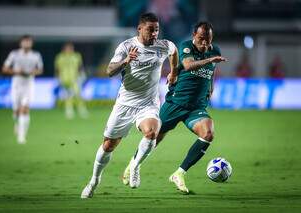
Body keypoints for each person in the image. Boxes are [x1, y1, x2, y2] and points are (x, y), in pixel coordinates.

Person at [81, 12, 178, 199]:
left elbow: (174, 52)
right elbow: (109, 71)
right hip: (125, 103)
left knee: (152, 132)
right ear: (140, 29)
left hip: (148, 103)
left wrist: (173, 72)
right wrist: (126, 61)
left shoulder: (163, 46)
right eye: (151, 30)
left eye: (156, 30)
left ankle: (135, 165)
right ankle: (94, 181)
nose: (154, 34)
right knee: (109, 145)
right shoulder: (126, 46)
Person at [122, 22, 227, 193]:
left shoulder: (215, 51)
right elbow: (188, 65)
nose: (204, 44)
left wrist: (211, 87)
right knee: (153, 137)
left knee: (208, 133)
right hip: (175, 103)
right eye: (201, 39)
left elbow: (212, 70)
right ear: (194, 35)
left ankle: (179, 173)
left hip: (196, 107)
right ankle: (133, 165)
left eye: (208, 40)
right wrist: (209, 60)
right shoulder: (186, 46)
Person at [2, 35, 43, 144]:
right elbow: (5, 68)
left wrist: (32, 72)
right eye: (25, 41)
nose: (27, 43)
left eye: (28, 42)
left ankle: (22, 136)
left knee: (24, 109)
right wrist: (16, 72)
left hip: (29, 85)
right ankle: (17, 123)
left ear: (31, 43)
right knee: (16, 111)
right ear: (21, 43)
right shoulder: (14, 54)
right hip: (16, 84)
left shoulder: (36, 55)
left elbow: (40, 70)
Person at [54, 42, 88, 119]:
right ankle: (69, 110)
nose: (69, 50)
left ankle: (81, 109)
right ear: (64, 49)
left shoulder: (76, 56)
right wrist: (57, 78)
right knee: (67, 95)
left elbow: (80, 67)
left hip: (74, 79)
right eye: (68, 48)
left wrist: (82, 75)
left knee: (77, 94)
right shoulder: (60, 57)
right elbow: (57, 69)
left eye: (71, 48)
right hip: (64, 79)